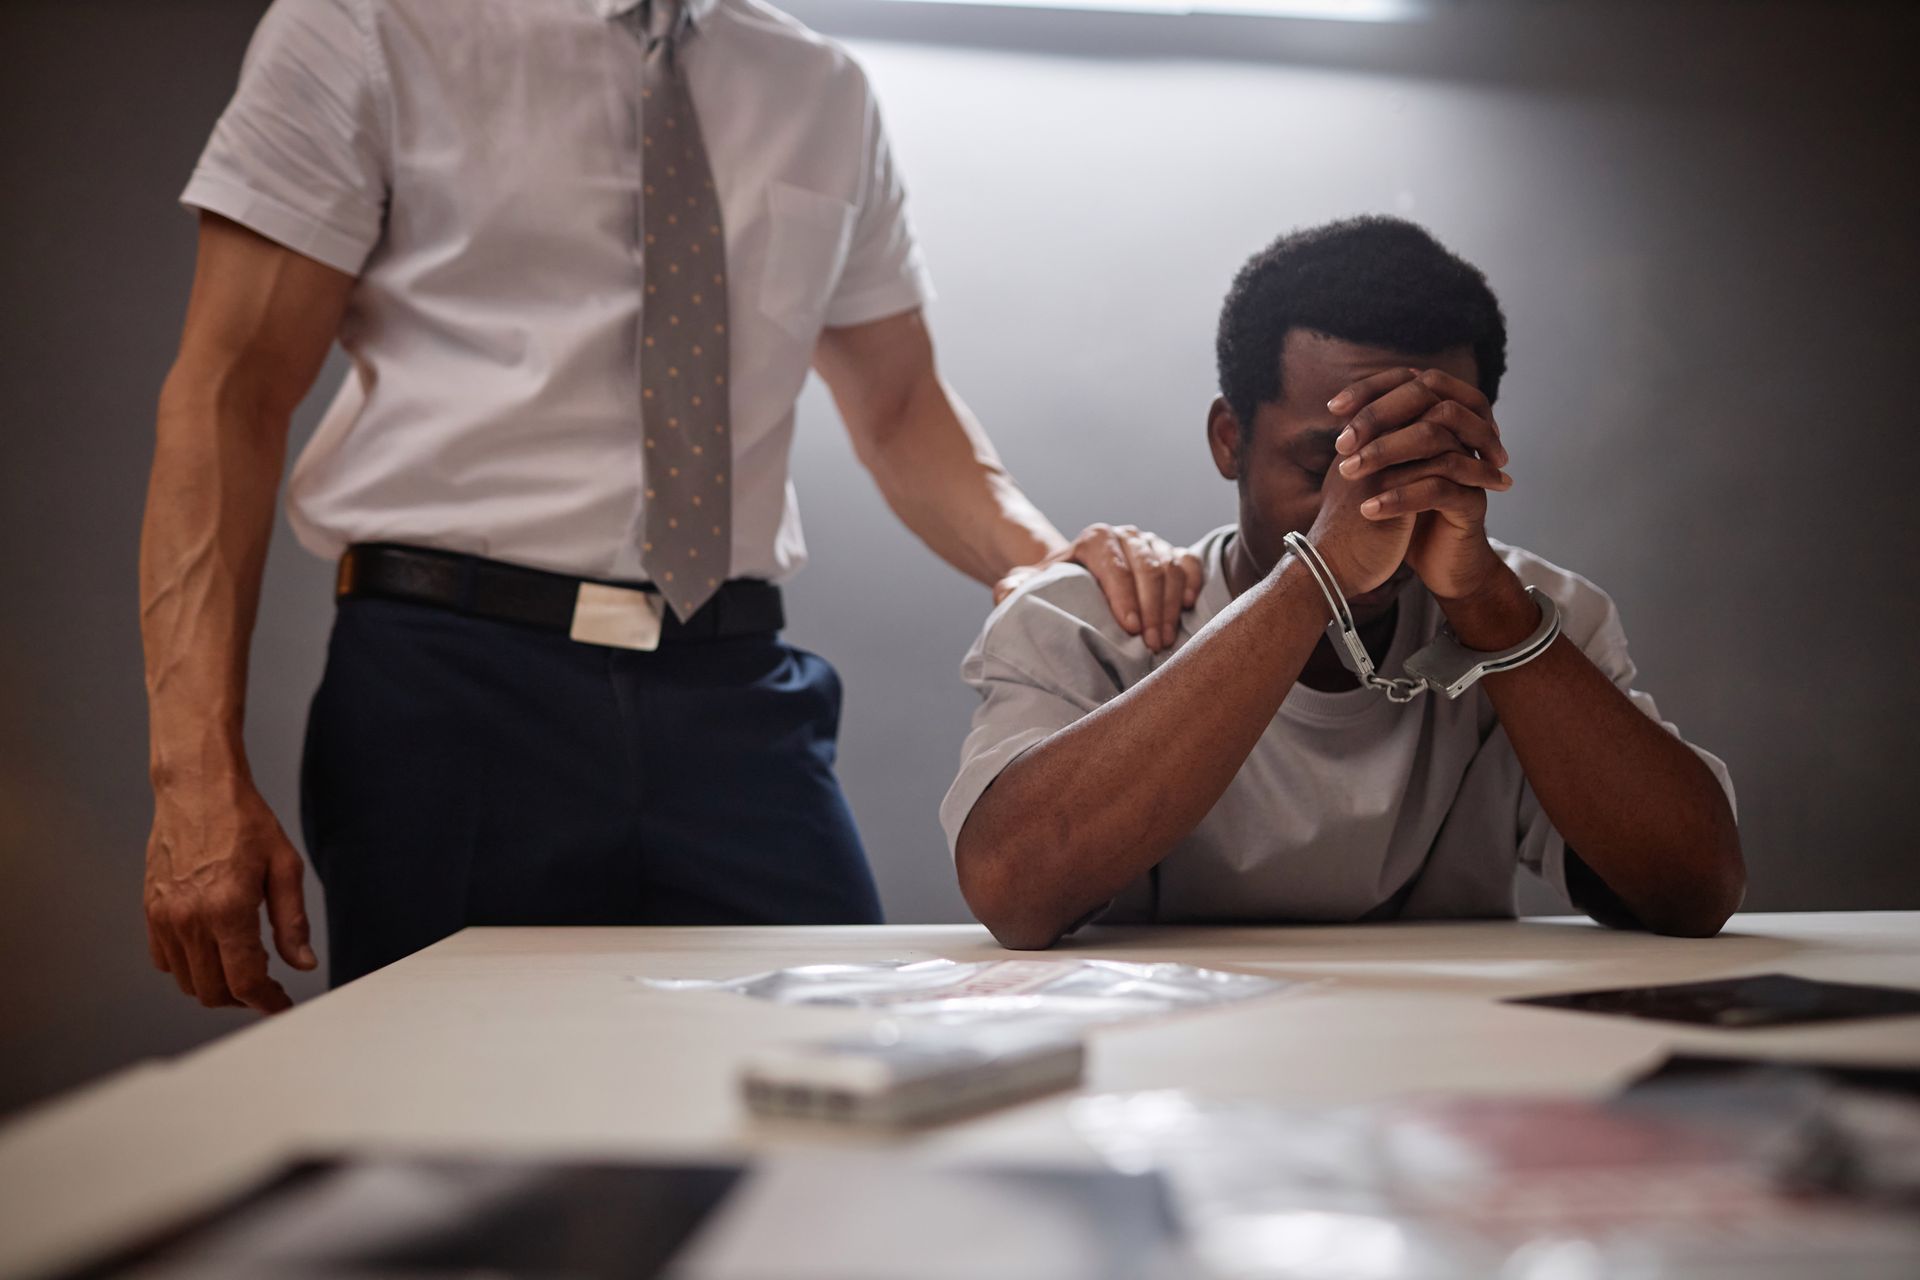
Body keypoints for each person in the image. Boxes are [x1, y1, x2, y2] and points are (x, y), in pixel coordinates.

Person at [140, 0, 1200, 1010]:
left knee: (835, 1094)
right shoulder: (370, 26)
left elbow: (900, 403)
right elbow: (229, 392)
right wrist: (195, 774)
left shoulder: (818, 86)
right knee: (452, 1137)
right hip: (451, 687)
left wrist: (1051, 563)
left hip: (727, 688)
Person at [942, 216, 1743, 950]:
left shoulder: (1537, 621)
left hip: (1449, 1067)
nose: (1372, 507)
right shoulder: (1087, 620)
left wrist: (1489, 608)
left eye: (1423, 463)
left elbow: (1695, 890)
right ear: (1230, 439)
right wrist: (1316, 576)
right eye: (1326, 466)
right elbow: (1013, 889)